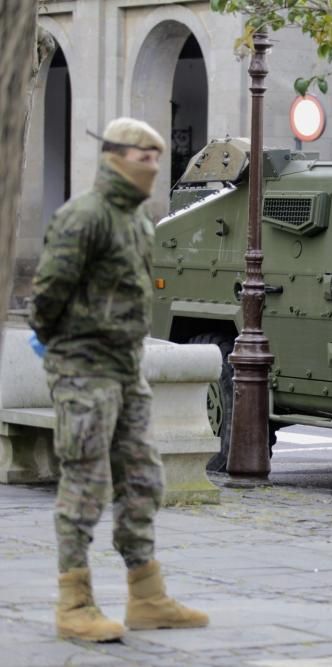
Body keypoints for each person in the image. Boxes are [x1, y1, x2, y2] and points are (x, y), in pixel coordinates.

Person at [29, 118, 210, 642]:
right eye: (145, 157)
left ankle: (147, 595)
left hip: (126, 370)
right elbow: (47, 296)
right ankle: (74, 600)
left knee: (143, 477)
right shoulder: (83, 216)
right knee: (85, 481)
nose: (154, 166)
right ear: (116, 157)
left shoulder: (134, 221)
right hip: (84, 369)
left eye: (158, 158)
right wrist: (62, 345)